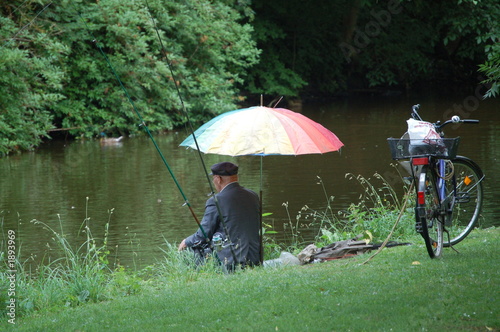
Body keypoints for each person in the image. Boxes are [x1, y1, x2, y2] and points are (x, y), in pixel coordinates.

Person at [178, 162, 261, 270]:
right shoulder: (253, 195)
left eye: (213, 179)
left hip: (232, 259)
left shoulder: (216, 201)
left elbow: (203, 235)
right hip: (255, 256)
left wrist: (186, 241)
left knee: (191, 246)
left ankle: (197, 276)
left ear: (218, 179)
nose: (213, 182)